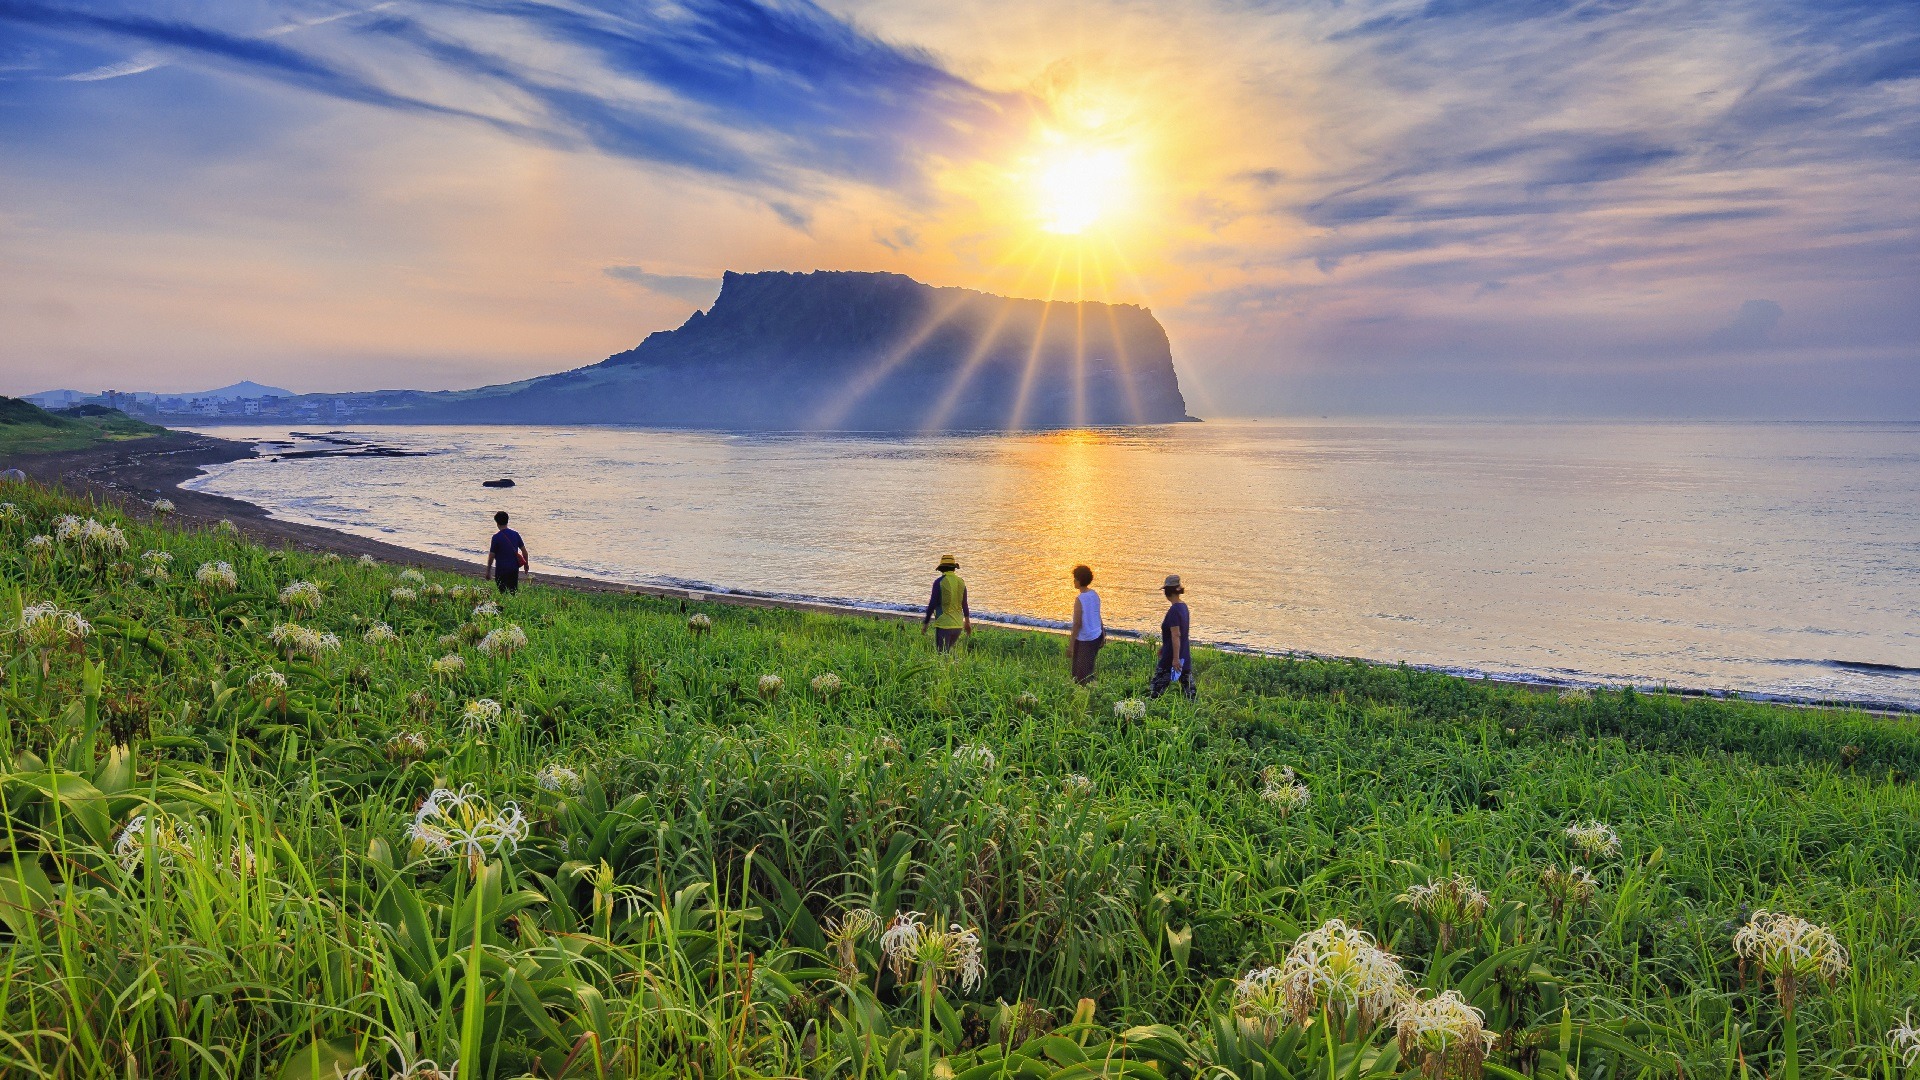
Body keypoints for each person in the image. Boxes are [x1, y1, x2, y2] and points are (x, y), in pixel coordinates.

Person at [1149, 574, 1195, 699]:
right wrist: (1164, 648)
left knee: (1155, 691)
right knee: (1190, 693)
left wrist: (1174, 659)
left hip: (1171, 659)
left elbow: (1176, 635)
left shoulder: (1174, 610)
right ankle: (1195, 714)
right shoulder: (1183, 607)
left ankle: (1148, 713)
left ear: (1167, 591)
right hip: (1184, 656)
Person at [921, 554, 971, 653]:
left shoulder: (939, 582)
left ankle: (952, 667)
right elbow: (964, 604)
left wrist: (926, 624)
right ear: (954, 568)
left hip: (944, 624)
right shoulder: (961, 582)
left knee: (941, 656)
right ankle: (954, 667)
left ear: (941, 569)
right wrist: (967, 623)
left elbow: (932, 604)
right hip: (958, 625)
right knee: (947, 653)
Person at [1067, 564, 1104, 684]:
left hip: (1085, 639)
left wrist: (1071, 645)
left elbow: (1077, 623)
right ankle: (1090, 691)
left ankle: (1089, 694)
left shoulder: (1080, 599)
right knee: (1088, 668)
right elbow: (1097, 615)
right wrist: (1103, 633)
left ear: (1079, 580)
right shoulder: (1094, 594)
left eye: (1075, 578)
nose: (1074, 581)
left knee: (1081, 675)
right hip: (1096, 636)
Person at [484, 511, 528, 593]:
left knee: (502, 592)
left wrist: (488, 571)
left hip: (501, 570)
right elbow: (524, 552)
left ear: (497, 523)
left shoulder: (496, 537)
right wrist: (526, 564)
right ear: (507, 521)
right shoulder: (515, 534)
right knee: (513, 592)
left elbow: (491, 556)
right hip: (513, 569)